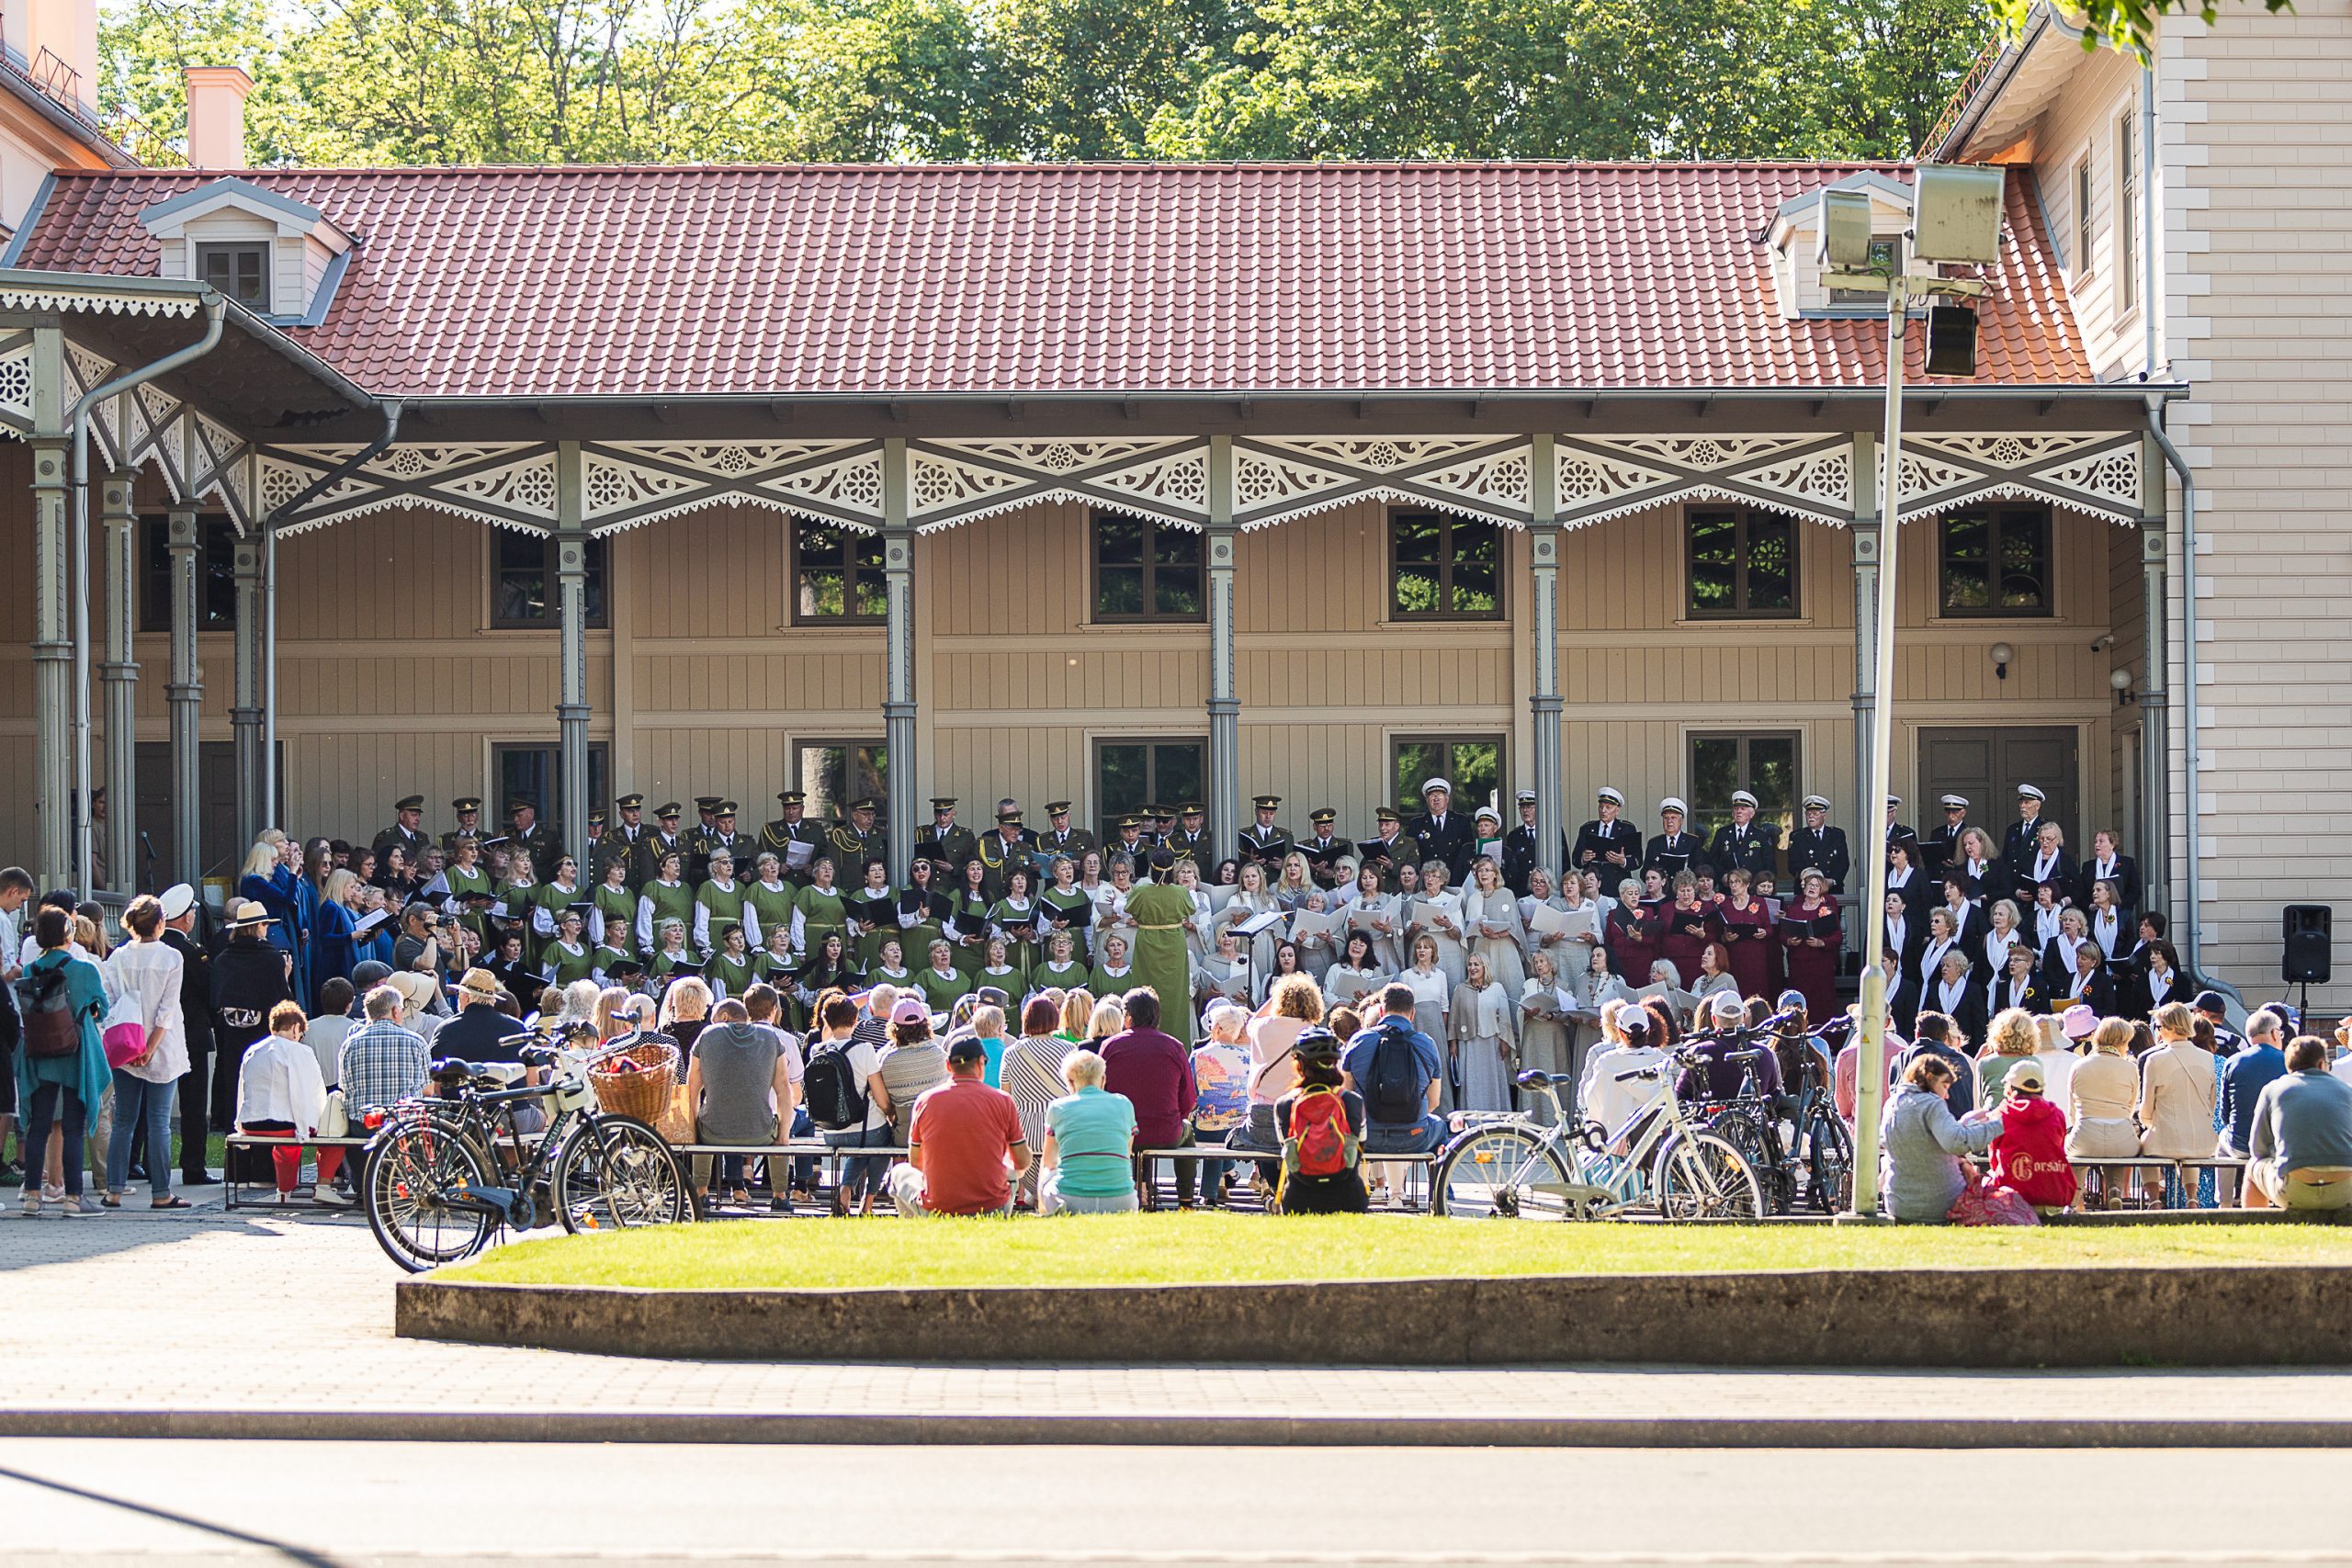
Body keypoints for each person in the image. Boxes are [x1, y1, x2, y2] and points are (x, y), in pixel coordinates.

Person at [15, 907, 108, 1216]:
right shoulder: (85, 969)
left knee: (38, 1124)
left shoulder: (30, 969)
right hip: (75, 1055)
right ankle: (73, 1198)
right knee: (72, 1126)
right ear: (69, 934)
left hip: (40, 1055)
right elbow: (101, 1009)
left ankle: (31, 1195)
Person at [101, 895, 190, 1210]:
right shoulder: (171, 957)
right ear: (160, 923)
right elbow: (166, 1010)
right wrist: (150, 1048)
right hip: (162, 1047)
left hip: (125, 1043)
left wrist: (137, 1047)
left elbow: (110, 1002)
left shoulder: (117, 957)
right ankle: (161, 1192)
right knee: (158, 1122)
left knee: (123, 1120)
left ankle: (113, 1189)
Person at [888, 1033, 1030, 1216]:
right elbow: (1023, 1161)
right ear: (981, 1062)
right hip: (992, 1208)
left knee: (900, 1172)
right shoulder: (1003, 1101)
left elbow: (916, 1161)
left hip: (938, 1208)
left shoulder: (926, 1101)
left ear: (948, 1065)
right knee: (1009, 1166)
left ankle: (921, 1233)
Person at [686, 997, 798, 1208]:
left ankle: (701, 1193)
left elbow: (692, 1090)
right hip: (760, 1133)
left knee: (702, 1122)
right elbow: (784, 1090)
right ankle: (780, 1195)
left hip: (713, 1134)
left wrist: (692, 1132)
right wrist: (783, 1137)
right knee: (779, 1129)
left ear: (724, 1017)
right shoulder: (771, 1037)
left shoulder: (707, 1035)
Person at [1341, 983, 1445, 1205]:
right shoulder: (1426, 1044)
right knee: (1441, 1127)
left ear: (1381, 1011)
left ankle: (1356, 1196)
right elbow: (1434, 1101)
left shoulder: (1359, 1041)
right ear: (1413, 1013)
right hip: (1413, 1136)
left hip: (1366, 1137)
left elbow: (1345, 1095)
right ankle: (1440, 1199)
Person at [1100, 987, 1199, 1209]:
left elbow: (1101, 1090)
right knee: (1188, 1131)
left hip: (1122, 1132)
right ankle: (1185, 1200)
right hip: (1166, 1131)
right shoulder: (1174, 1046)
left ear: (1128, 1016)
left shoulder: (1110, 1046)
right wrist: (1175, 1117)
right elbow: (1188, 1098)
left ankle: (1133, 1192)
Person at [210, 900, 292, 1152]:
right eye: (265, 924)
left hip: (230, 1030)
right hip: (261, 1032)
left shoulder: (224, 958)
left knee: (231, 1077)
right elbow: (281, 1000)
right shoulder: (271, 959)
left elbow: (215, 996)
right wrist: (285, 977)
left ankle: (231, 1129)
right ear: (258, 927)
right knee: (260, 1080)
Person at [1879, 1054, 2000, 1223]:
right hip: (1940, 1204)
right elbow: (1957, 1143)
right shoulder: (1932, 1104)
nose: (1947, 1095)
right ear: (1929, 1078)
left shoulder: (1893, 1103)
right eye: (1944, 1085)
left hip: (1898, 1204)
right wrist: (1999, 1124)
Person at [233, 1001, 333, 1206]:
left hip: (251, 1123)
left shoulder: (253, 1050)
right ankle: (320, 1186)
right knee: (331, 1138)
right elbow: (312, 1092)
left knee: (287, 1138)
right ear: (297, 1028)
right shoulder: (300, 1052)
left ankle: (284, 1192)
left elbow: (243, 1090)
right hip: (284, 1125)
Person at [803, 993, 893, 1216]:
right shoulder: (864, 1050)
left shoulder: (818, 1050)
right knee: (884, 1140)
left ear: (826, 1021)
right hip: (864, 1131)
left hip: (830, 1131)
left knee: (861, 1146)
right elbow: (882, 1100)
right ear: (855, 1021)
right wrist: (892, 1115)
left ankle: (844, 1192)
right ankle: (867, 1201)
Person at [2243, 1036, 2352, 1211]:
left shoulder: (2272, 1089)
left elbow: (2257, 1149)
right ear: (2322, 1063)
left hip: (2294, 1189)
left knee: (2252, 1168)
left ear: (2289, 1065)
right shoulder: (2347, 1091)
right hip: (2346, 1190)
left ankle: (2254, 1230)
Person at [155, 884, 216, 1187]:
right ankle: (193, 1166)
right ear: (185, 918)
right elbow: (209, 991)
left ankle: (145, 1164)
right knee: (192, 1105)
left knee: (152, 1107)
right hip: (190, 1033)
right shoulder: (190, 953)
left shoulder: (157, 948)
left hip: (158, 1035)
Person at [1272, 1027, 1368, 1214]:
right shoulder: (1353, 1101)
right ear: (1335, 1062)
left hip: (1300, 1199)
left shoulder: (1284, 1104)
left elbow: (1286, 1147)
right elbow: (1360, 1146)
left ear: (1298, 1064)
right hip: (1349, 1198)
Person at [1037, 1047, 1139, 1214]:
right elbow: (1126, 1153)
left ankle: (1045, 1213)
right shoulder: (1124, 1104)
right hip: (1121, 1200)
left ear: (1070, 1082)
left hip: (1069, 1199)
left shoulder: (1058, 1107)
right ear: (1103, 1079)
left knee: (1047, 1173)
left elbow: (1049, 1160)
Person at [2137, 1001, 2219, 1203]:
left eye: (2158, 1026)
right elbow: (2212, 1103)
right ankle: (2192, 1197)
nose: (2157, 1031)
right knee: (2189, 1153)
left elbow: (2146, 1110)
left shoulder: (2155, 1060)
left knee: (2142, 1147)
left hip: (2165, 1140)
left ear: (2170, 1028)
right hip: (2202, 1141)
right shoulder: (2208, 1058)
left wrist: (2148, 1123)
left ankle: (2154, 1200)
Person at [1985, 1058, 2076, 1212]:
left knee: (1986, 1179)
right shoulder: (2057, 1115)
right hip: (2054, 1199)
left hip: (2012, 1200)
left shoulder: (2000, 1115)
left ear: (2010, 1088)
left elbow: (1994, 1162)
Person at [1188, 1000, 1252, 1208]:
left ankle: (1209, 1193)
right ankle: (1229, 1169)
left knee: (1214, 1131)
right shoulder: (1249, 1057)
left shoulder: (1199, 1056)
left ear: (1216, 1028)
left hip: (1206, 1127)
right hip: (1240, 1129)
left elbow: (1191, 1092)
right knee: (1223, 1135)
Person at [2217, 1008, 2290, 1163]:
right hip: (2278, 1145)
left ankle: (2224, 1189)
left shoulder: (2232, 1062)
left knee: (2223, 1139)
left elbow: (2225, 1113)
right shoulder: (2288, 1061)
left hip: (2240, 1145)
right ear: (2274, 1033)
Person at [876, 996, 949, 1142]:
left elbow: (886, 1103)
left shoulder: (886, 1060)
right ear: (925, 1024)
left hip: (904, 1135)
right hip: (937, 1133)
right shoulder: (940, 1055)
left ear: (894, 1027)